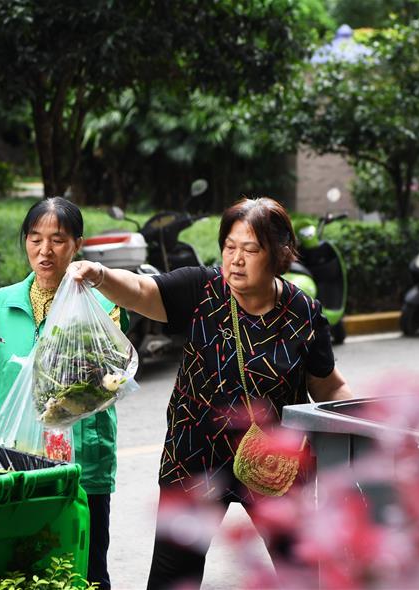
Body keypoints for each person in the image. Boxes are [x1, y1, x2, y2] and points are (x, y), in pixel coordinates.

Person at [67, 196, 353, 589]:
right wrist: (100, 274)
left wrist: (361, 429)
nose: (236, 259)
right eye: (229, 247)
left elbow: (328, 385)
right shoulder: (201, 289)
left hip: (274, 465)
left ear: (278, 254)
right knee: (173, 575)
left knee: (300, 571)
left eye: (250, 249)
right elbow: (142, 290)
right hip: (194, 459)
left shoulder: (302, 311)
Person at [0, 197, 124, 589]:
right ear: (24, 240)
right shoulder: (4, 302)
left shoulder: (102, 302)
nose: (45, 251)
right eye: (35, 239)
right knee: (19, 566)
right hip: (16, 456)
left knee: (86, 570)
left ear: (77, 244)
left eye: (57, 240)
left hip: (81, 458)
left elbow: (109, 376)